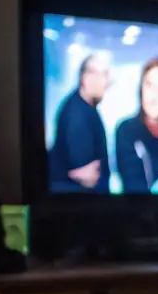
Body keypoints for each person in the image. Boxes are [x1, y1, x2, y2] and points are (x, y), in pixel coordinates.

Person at [114, 57, 158, 193]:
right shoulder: (127, 130)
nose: (154, 96)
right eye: (149, 86)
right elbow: (133, 186)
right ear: (140, 89)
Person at [48, 53, 112, 193]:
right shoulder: (77, 114)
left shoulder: (87, 108)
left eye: (105, 75)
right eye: (96, 74)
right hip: (78, 205)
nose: (103, 82)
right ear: (84, 77)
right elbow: (87, 176)